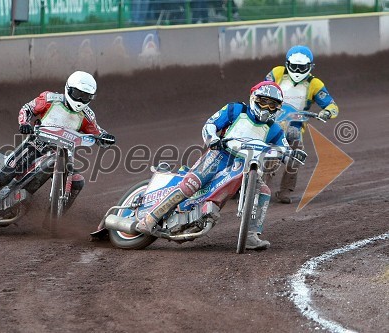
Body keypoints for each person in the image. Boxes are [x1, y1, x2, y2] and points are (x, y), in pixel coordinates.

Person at [136, 81, 307, 250]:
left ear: (278, 108)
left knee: (263, 191)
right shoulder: (235, 109)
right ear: (254, 98)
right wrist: (213, 139)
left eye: (272, 105)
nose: (267, 108)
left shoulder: (275, 129)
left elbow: (284, 150)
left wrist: (293, 155)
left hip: (247, 165)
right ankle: (151, 218)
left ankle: (250, 236)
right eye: (263, 102)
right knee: (191, 184)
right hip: (220, 155)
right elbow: (211, 124)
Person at [0, 71, 116, 211]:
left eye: (86, 96)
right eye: (78, 94)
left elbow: (97, 132)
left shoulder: (87, 115)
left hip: (63, 153)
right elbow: (27, 109)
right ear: (68, 89)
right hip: (36, 144)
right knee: (5, 175)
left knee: (77, 182)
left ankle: (55, 218)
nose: (81, 100)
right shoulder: (50, 99)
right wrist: (24, 123)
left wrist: (106, 138)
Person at [264, 45, 339, 203]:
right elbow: (263, 90)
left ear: (310, 67)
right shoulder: (277, 73)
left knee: (296, 155)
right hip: (270, 123)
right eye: (294, 67)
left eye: (302, 67)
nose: (297, 71)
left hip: (294, 128)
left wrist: (326, 112)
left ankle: (285, 191)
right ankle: (255, 186)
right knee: (267, 153)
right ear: (287, 64)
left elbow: (332, 105)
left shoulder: (315, 84)